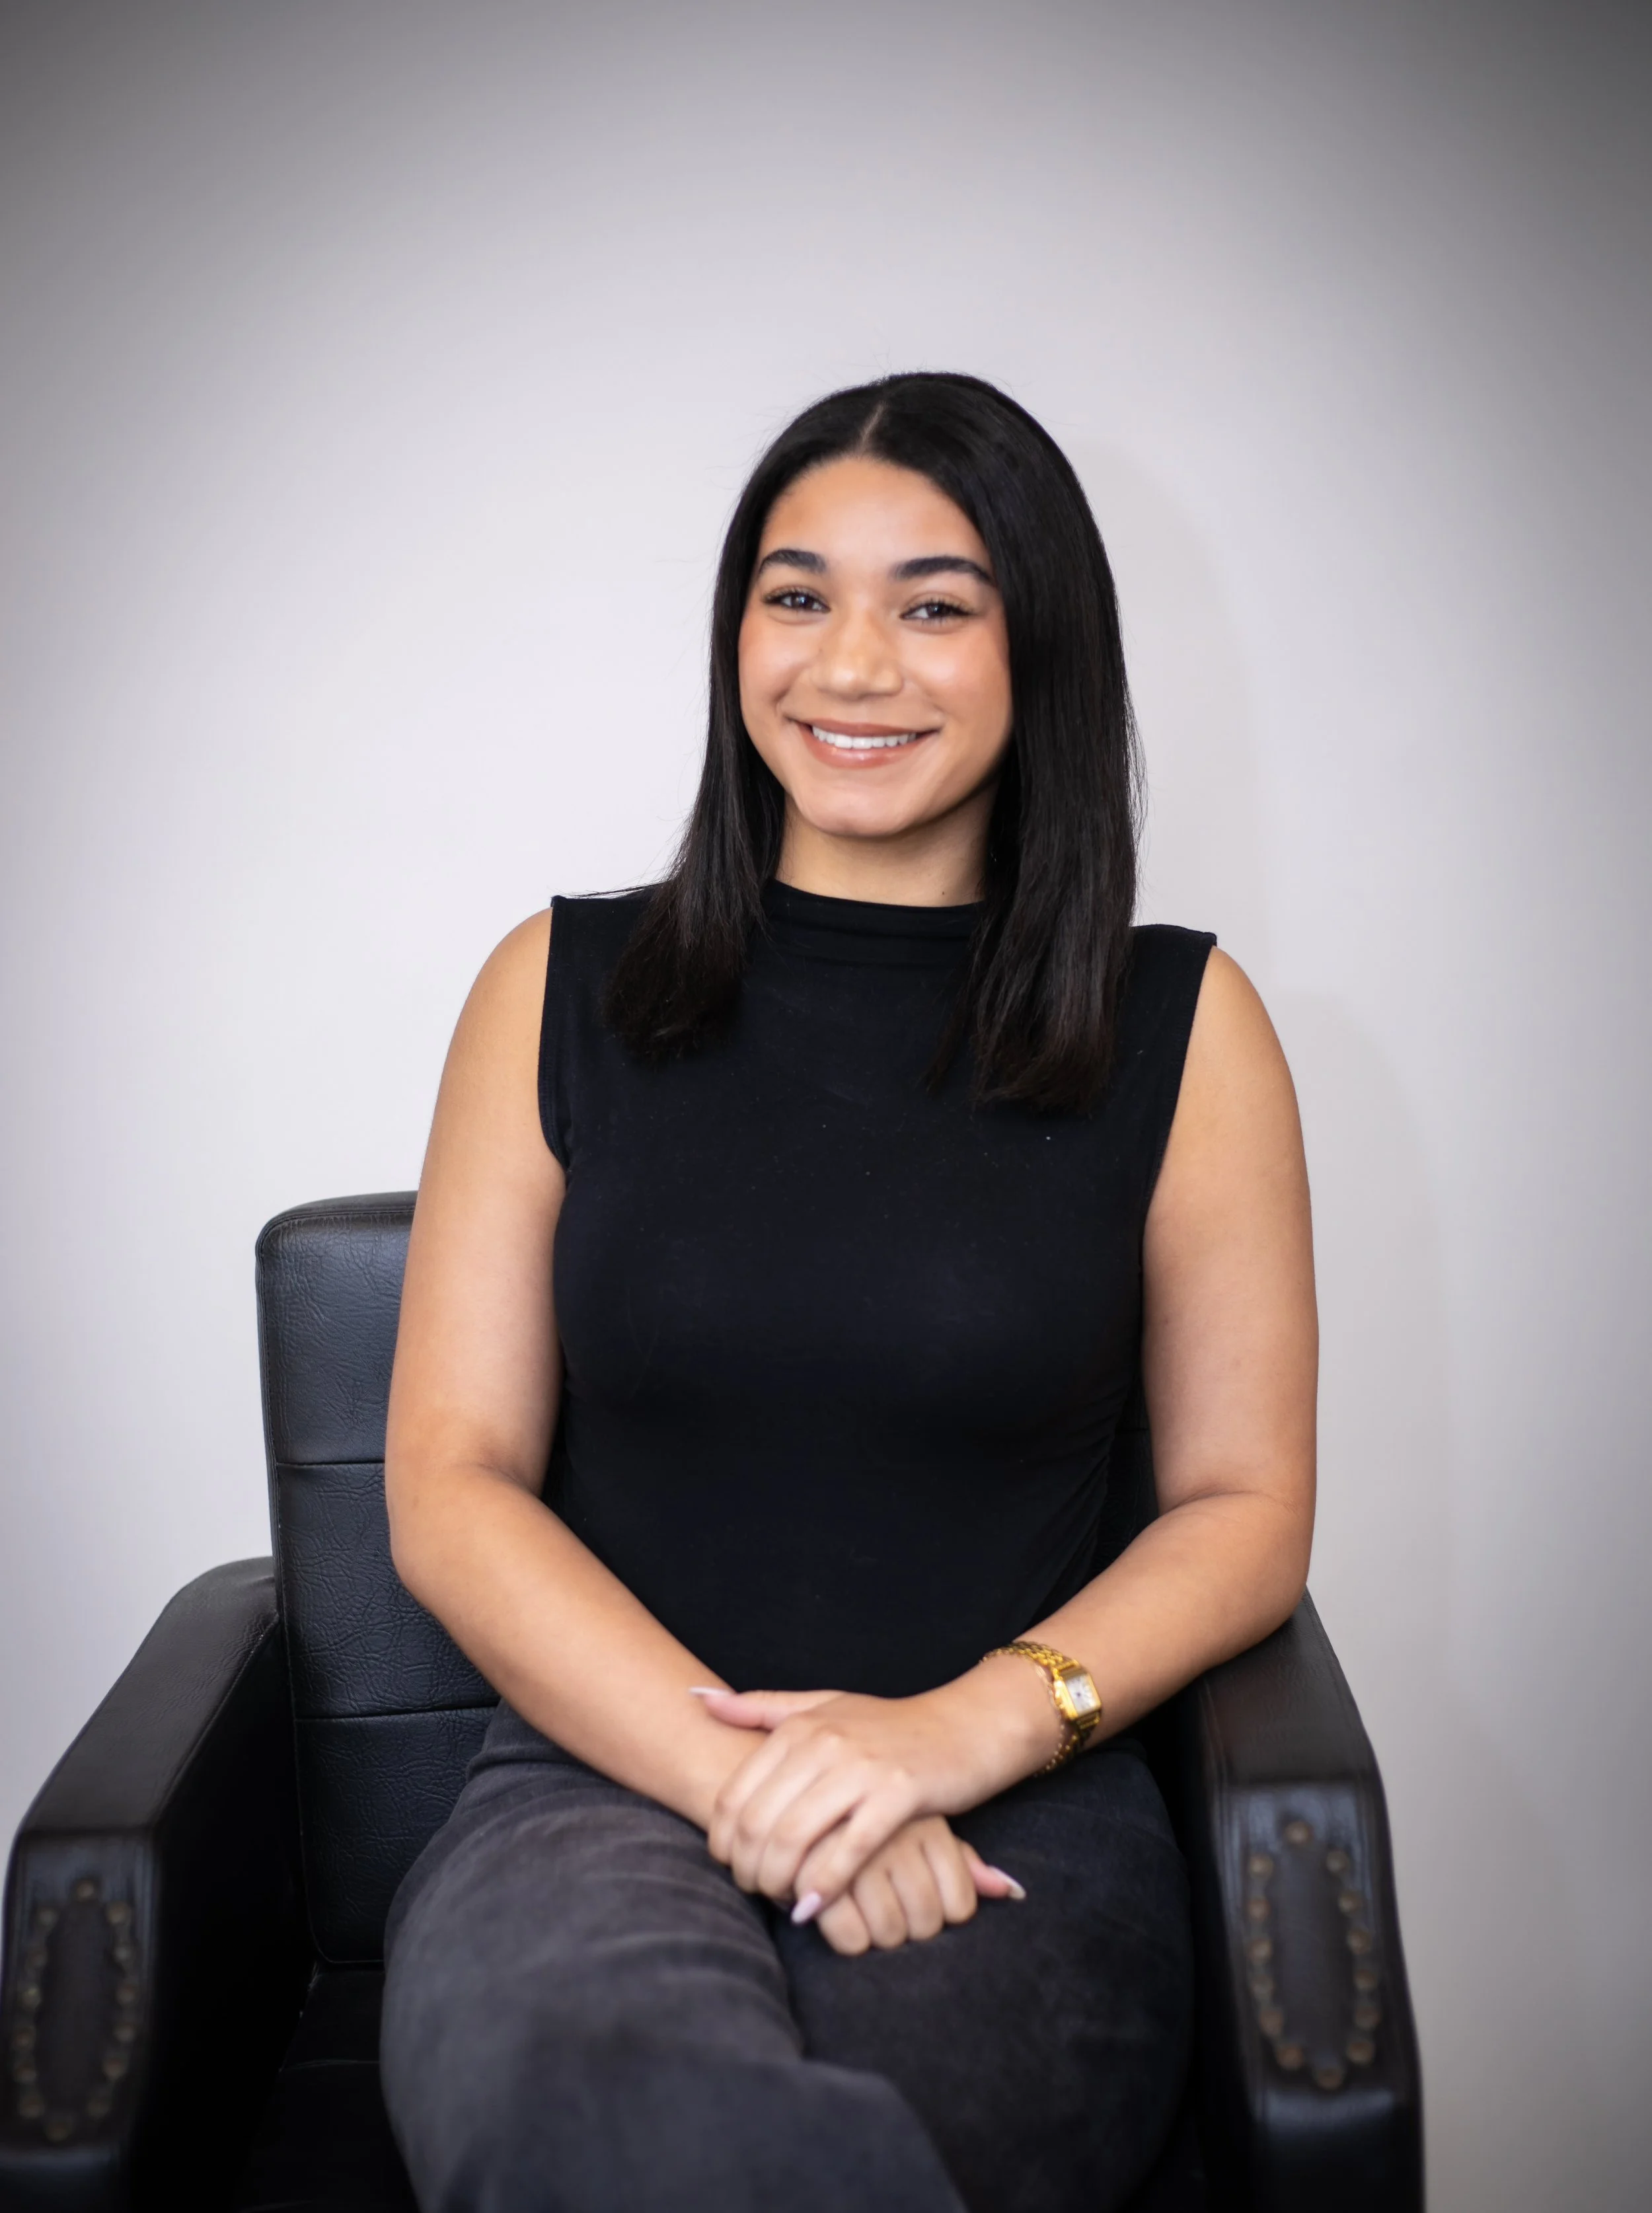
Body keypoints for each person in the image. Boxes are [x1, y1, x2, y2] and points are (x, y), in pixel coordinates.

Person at [378, 372, 1317, 2213]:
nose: (851, 662)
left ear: (1043, 652)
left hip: (1014, 1813)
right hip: (594, 1782)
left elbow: (1243, 1507)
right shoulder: (552, 988)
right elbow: (450, 1482)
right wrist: (770, 1783)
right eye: (796, 595)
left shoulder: (1183, 1030)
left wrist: (950, 1736)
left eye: (934, 604)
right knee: (604, 2122)